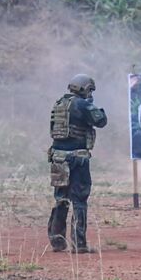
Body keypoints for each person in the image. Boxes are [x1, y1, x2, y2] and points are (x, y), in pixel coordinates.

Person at [47, 74, 107, 253]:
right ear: (85, 88)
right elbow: (101, 121)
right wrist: (93, 104)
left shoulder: (60, 103)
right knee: (79, 199)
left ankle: (57, 242)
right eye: (90, 90)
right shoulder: (82, 104)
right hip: (77, 158)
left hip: (58, 157)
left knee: (61, 199)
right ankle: (79, 244)